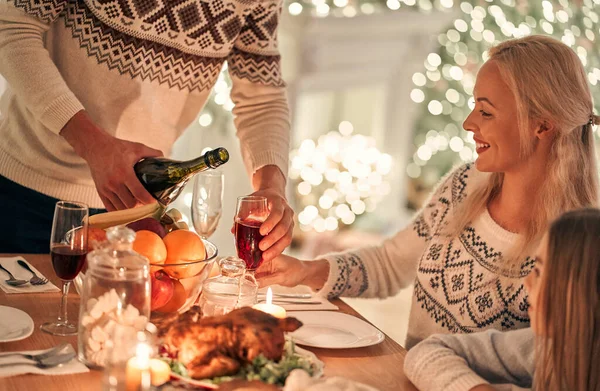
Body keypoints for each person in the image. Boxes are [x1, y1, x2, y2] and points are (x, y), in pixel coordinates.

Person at [255, 35, 600, 348]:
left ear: (542, 124)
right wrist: (304, 270)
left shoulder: (573, 247)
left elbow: (553, 372)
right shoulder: (464, 186)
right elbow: (390, 263)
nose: (468, 123)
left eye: (486, 111)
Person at [0, 0, 294, 256]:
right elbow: (12, 27)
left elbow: (262, 98)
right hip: (24, 194)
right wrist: (92, 144)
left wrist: (272, 186)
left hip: (138, 213)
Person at [403, 208, 600, 391]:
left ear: (581, 291)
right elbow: (426, 351)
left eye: (539, 272)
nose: (527, 282)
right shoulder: (544, 348)